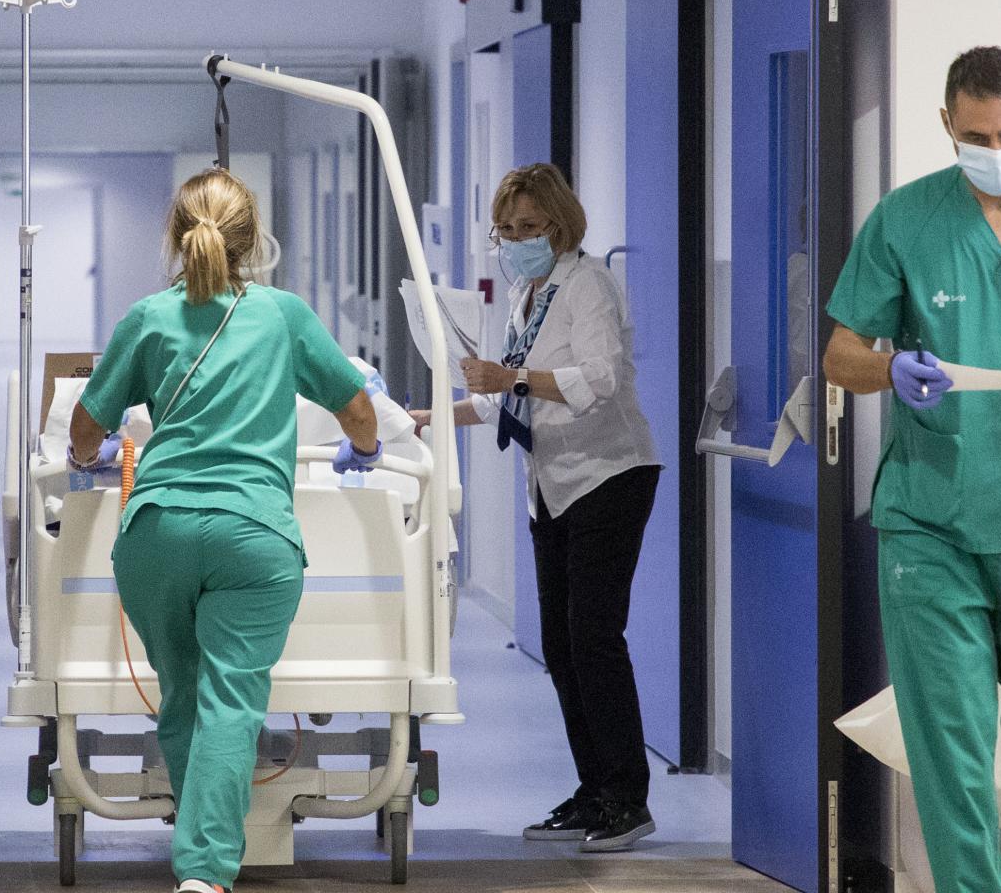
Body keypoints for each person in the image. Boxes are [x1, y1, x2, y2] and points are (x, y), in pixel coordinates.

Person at [67, 168, 381, 893]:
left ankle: (201, 853)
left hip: (158, 535)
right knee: (230, 702)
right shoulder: (283, 315)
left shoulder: (146, 318)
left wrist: (94, 457)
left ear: (177, 235)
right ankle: (205, 873)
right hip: (254, 540)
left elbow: (87, 426)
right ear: (252, 238)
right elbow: (358, 410)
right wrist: (365, 451)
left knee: (182, 695)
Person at [413, 163, 662, 851]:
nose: (518, 239)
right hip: (553, 485)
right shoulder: (529, 293)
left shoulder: (588, 287)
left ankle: (627, 798)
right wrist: (425, 416)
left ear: (561, 224)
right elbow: (500, 398)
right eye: (508, 229)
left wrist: (512, 375)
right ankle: (594, 791)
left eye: (530, 227)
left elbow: (601, 380)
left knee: (594, 638)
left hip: (610, 476)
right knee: (560, 645)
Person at [822, 46, 1001, 893]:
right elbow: (840, 355)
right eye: (977, 135)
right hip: (930, 523)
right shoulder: (905, 220)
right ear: (946, 125)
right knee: (953, 757)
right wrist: (890, 367)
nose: (994, 151)